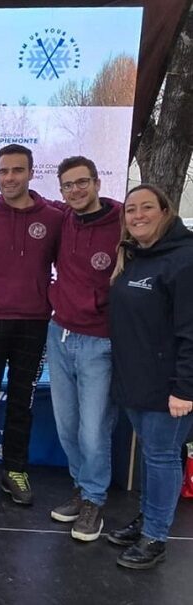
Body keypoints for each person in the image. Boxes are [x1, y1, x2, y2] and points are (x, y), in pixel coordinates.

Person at [0, 156, 122, 539]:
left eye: (17, 170)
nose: (76, 190)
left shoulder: (76, 218)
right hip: (18, 325)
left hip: (57, 329)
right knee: (52, 421)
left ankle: (35, 478)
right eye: (3, 171)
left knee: (57, 416)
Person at [0, 144, 63, 507]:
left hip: (34, 324)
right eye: (3, 171)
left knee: (22, 403)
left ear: (32, 173)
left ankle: (14, 471)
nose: (9, 178)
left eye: (17, 170)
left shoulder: (54, 218)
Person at [107, 184, 193, 570]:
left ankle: (156, 536)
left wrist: (185, 388)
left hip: (169, 388)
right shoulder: (135, 256)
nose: (138, 215)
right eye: (131, 209)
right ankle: (148, 519)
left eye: (146, 208)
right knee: (153, 454)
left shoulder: (185, 259)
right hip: (136, 382)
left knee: (162, 457)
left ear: (165, 211)